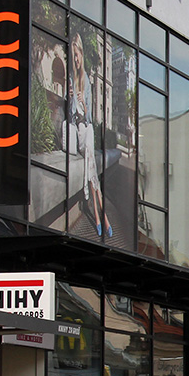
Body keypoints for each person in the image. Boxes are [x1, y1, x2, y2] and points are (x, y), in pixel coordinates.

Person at [69, 33, 112, 238]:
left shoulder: (86, 79)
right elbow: (71, 116)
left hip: (87, 131)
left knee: (92, 171)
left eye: (77, 55)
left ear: (81, 54)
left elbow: (89, 117)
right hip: (78, 132)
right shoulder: (71, 79)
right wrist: (71, 99)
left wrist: (83, 103)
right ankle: (102, 217)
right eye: (73, 56)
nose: (75, 59)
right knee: (92, 172)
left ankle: (99, 217)